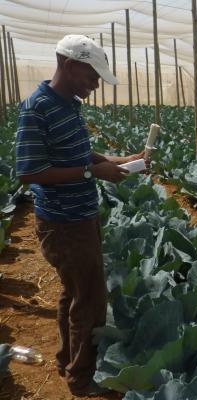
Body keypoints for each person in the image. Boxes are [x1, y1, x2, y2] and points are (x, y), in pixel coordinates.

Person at [15, 35, 146, 397]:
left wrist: (119, 162)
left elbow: (80, 154)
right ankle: (82, 379)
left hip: (80, 217)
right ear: (70, 66)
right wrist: (93, 174)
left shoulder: (68, 105)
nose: (96, 83)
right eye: (93, 76)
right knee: (89, 301)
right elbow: (29, 171)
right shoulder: (37, 108)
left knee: (73, 295)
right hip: (63, 223)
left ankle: (65, 360)